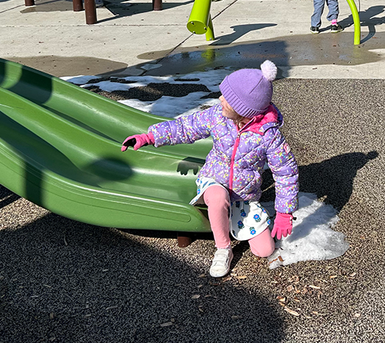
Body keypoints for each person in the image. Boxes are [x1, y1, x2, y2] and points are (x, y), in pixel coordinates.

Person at [121, 60, 298, 277]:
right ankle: (223, 249)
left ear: (245, 111)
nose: (220, 99)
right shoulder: (216, 117)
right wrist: (149, 136)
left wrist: (284, 211)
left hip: (244, 196)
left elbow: (285, 172)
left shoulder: (268, 135)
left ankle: (237, 221)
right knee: (217, 196)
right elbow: (185, 128)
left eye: (228, 98)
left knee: (265, 250)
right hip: (213, 182)